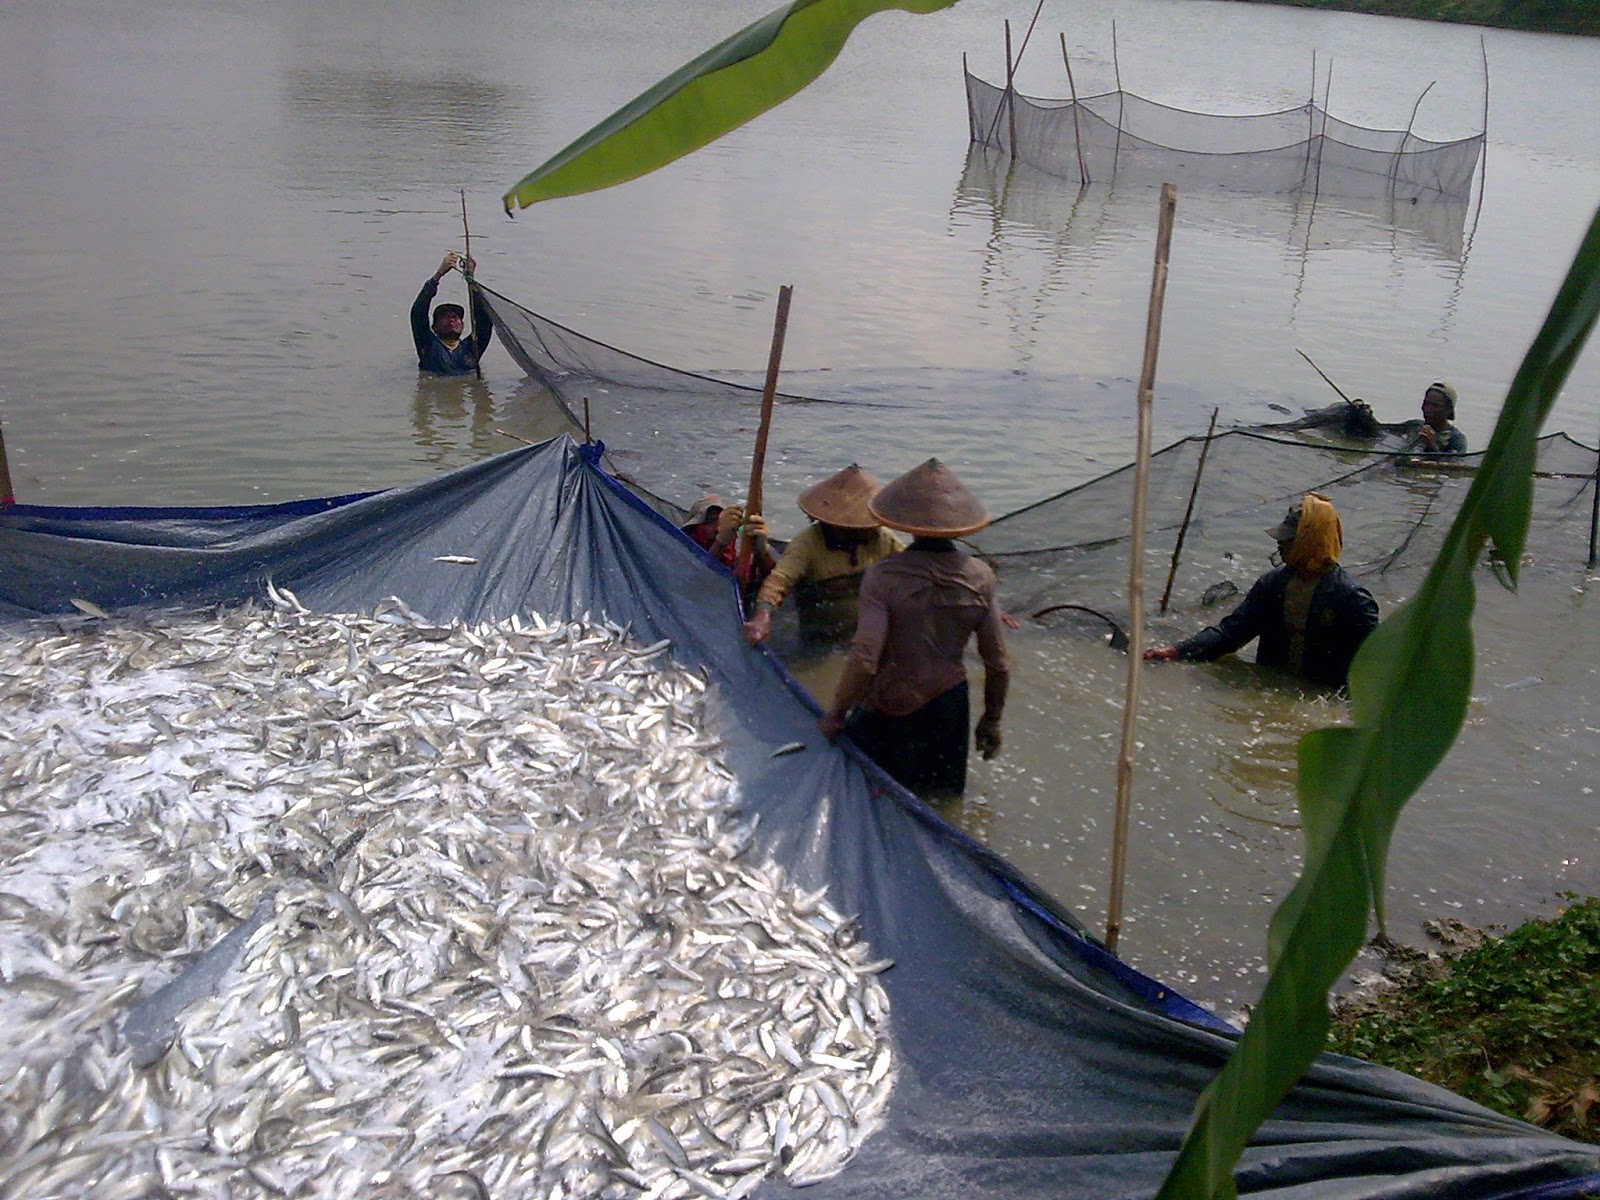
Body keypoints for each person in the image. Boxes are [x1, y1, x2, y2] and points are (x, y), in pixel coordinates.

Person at [819, 459, 1009, 800]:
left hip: (892, 706)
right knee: (942, 803)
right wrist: (991, 720)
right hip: (950, 705)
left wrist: (837, 712)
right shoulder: (981, 576)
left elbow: (865, 657)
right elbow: (998, 662)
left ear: (908, 525)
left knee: (870, 800)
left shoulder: (883, 576)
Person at [1144, 492, 1379, 691]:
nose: (1279, 543)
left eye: (1288, 539)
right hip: (1272, 687)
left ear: (1310, 539)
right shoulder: (1273, 584)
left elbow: (1373, 668)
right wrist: (1175, 652)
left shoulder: (1351, 599)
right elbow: (1230, 633)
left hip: (1319, 693)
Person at [741, 465, 904, 648]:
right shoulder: (807, 543)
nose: (866, 531)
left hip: (865, 631)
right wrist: (762, 616)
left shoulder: (881, 538)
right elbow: (779, 581)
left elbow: (910, 564)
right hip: (821, 636)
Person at [411, 252, 495, 375]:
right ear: (434, 327)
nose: (451, 320)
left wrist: (471, 281)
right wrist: (438, 275)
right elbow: (418, 313)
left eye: (455, 317)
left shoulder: (472, 348)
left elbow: (485, 321)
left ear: (462, 326)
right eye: (444, 317)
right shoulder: (428, 345)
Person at [681, 493, 774, 588]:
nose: (717, 528)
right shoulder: (682, 549)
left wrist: (761, 553)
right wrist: (720, 543)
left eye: (721, 522)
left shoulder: (739, 549)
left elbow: (773, 581)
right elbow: (695, 581)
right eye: (710, 521)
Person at [1408, 381, 1468, 456]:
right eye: (1426, 403)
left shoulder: (1456, 439)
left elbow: (1454, 462)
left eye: (1435, 406)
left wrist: (1431, 446)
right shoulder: (1414, 426)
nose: (1428, 409)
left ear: (1449, 410)